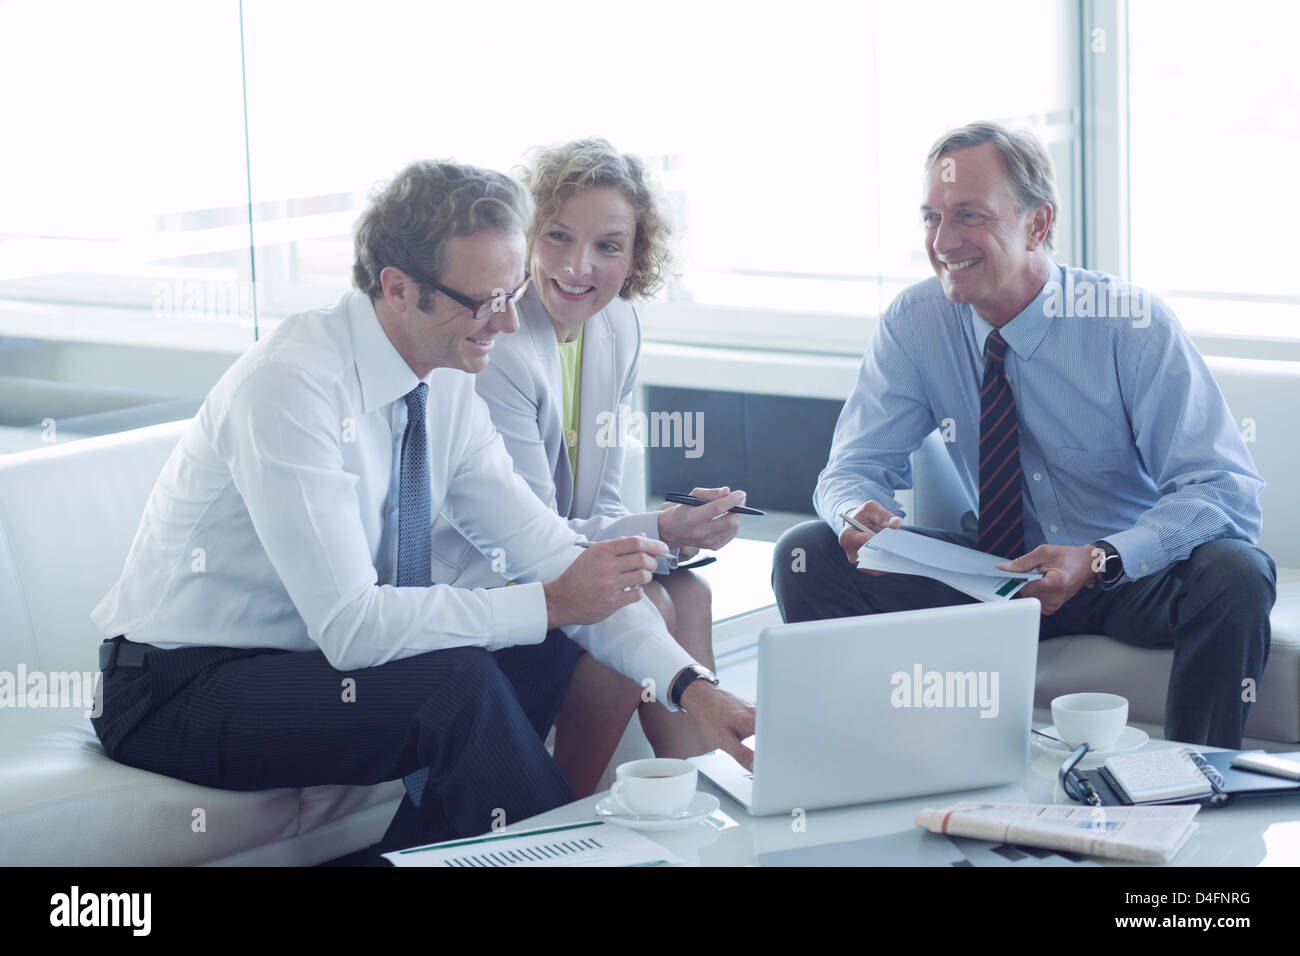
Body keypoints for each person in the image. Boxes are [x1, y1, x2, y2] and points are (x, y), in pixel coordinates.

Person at [89, 159, 754, 861]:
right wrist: (555, 602)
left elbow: (556, 555)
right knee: (460, 683)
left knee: (545, 641)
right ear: (399, 288)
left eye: (513, 291)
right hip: (173, 687)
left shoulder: (446, 380)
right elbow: (352, 627)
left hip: (303, 668)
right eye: (484, 299)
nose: (507, 319)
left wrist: (693, 689)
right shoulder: (293, 386)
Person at [772, 122, 1275, 750]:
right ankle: (868, 761)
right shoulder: (915, 321)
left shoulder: (1129, 324)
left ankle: (1188, 781)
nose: (943, 241)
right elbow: (850, 468)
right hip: (993, 572)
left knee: (1236, 572)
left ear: (1038, 224)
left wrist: (1098, 559)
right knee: (808, 551)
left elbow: (1225, 492)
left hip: (1118, 574)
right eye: (931, 218)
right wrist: (856, 512)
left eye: (968, 216)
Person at [429, 139, 748, 797]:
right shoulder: (504, 345)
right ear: (524, 238)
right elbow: (538, 536)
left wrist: (674, 531)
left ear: (634, 258)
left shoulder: (617, 326)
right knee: (647, 599)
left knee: (691, 592)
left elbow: (595, 501)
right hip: (485, 576)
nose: (579, 267)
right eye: (558, 237)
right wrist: (663, 524)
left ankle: (709, 797)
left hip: (551, 550)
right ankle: (562, 810)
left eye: (608, 246)